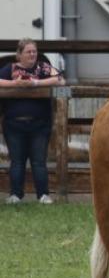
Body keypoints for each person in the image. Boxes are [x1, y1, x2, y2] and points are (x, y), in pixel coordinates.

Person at [1, 38, 65, 204]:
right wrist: (15, 84)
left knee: (39, 161)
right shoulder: (10, 68)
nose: (32, 54)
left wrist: (35, 83)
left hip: (40, 124)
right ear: (19, 54)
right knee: (17, 162)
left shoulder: (43, 67)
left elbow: (60, 79)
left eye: (34, 51)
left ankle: (43, 195)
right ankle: (15, 195)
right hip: (14, 124)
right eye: (28, 51)